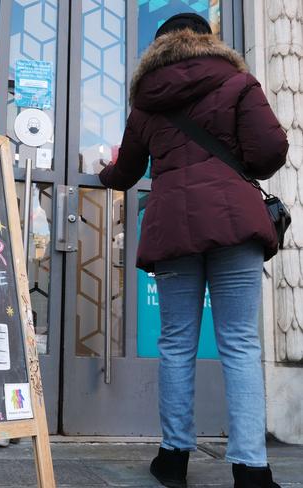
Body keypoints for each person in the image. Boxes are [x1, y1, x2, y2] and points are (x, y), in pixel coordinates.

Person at [98, 13, 288, 488]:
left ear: (158, 49)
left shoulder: (146, 102)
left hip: (174, 227)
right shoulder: (239, 82)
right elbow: (268, 154)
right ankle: (251, 468)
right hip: (235, 224)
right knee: (241, 343)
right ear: (208, 40)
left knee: (177, 342)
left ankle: (173, 458)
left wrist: (105, 173)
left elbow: (126, 173)